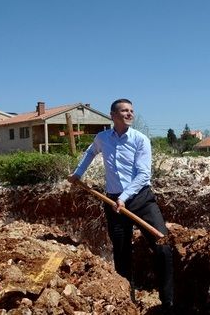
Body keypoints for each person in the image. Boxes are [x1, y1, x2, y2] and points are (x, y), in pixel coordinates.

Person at [68, 98, 175, 313]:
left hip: (141, 200)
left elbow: (144, 174)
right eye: (124, 111)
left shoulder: (140, 139)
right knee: (122, 251)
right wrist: (78, 173)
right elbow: (90, 152)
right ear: (113, 115)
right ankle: (127, 301)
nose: (129, 114)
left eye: (131, 111)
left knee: (163, 247)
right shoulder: (102, 138)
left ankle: (168, 302)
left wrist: (124, 197)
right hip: (114, 202)